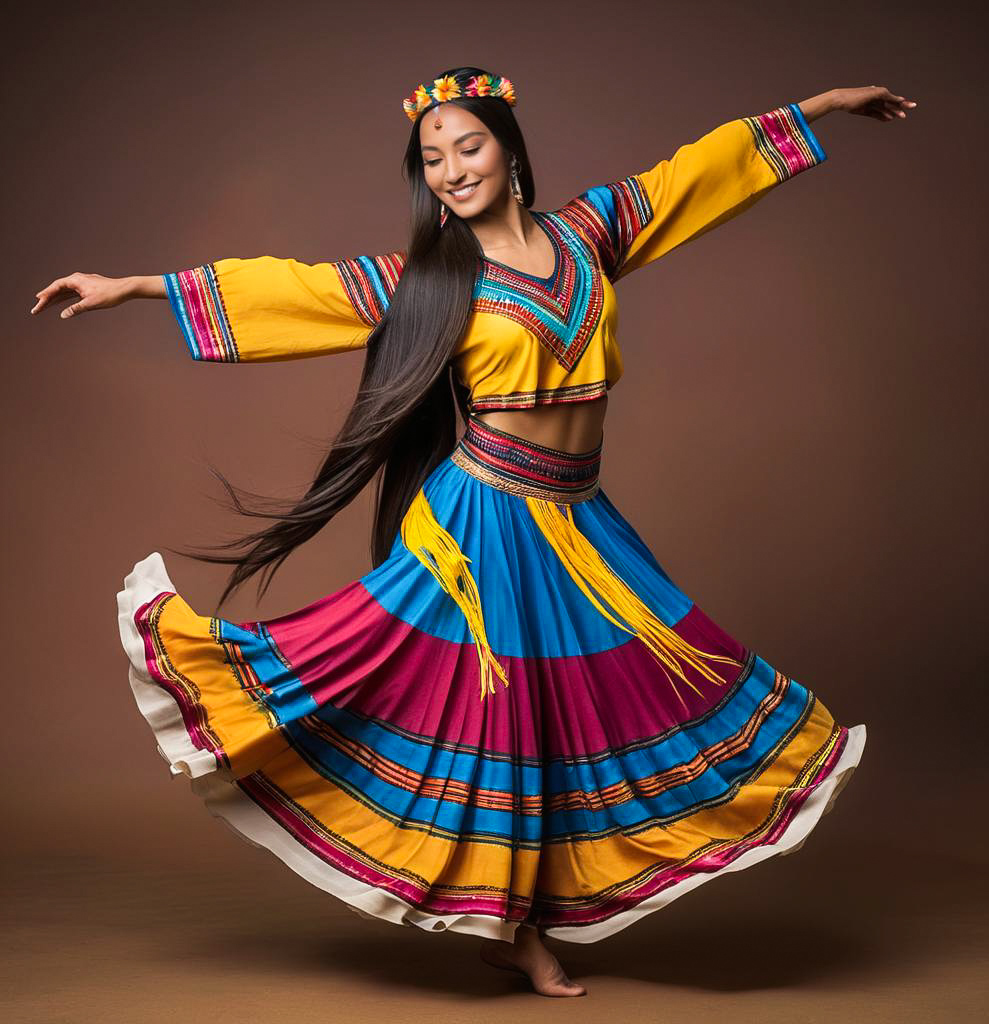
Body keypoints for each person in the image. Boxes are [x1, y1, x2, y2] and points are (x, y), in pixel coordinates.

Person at [32, 66, 914, 998]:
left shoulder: (593, 233)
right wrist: (136, 287)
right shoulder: (432, 280)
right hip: (484, 522)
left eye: (469, 145)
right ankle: (516, 932)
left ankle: (526, 918)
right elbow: (295, 291)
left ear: (508, 147)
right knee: (506, 727)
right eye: (433, 157)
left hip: (578, 517)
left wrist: (818, 111)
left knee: (627, 696)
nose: (453, 169)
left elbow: (696, 174)